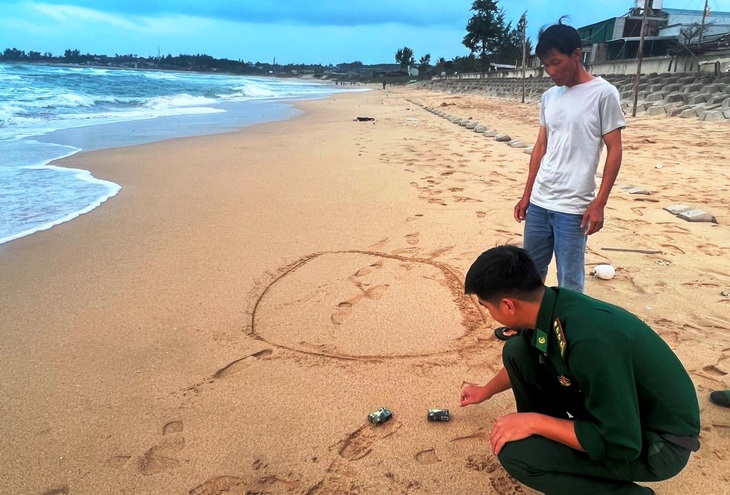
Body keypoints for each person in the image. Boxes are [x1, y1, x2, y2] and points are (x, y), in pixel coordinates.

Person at [460, 245, 700, 495]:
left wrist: (534, 422)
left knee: (517, 455)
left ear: (508, 306)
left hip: (659, 444)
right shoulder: (550, 305)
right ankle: (553, 446)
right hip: (630, 413)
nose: (489, 313)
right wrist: (486, 390)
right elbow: (530, 353)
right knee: (517, 351)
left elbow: (620, 440)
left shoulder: (588, 342)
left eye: (487, 306)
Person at [496, 19, 626, 342]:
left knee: (570, 278)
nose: (551, 71)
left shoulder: (603, 94)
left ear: (577, 54)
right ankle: (527, 326)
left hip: (574, 206)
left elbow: (614, 149)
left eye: (556, 62)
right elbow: (541, 147)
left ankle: (570, 332)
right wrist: (526, 195)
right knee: (531, 271)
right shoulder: (549, 98)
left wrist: (600, 203)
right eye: (545, 65)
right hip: (541, 201)